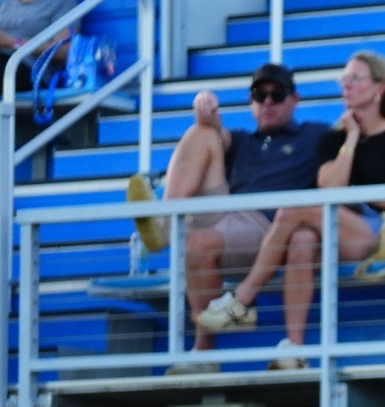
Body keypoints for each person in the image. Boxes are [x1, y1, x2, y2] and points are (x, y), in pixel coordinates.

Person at [195, 50, 385, 370]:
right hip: (333, 226)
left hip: (374, 230)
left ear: (379, 88)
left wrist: (358, 189)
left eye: (355, 79)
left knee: (294, 208)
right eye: (343, 80)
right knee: (301, 240)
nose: (346, 86)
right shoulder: (334, 137)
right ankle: (294, 348)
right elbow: (330, 189)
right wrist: (351, 139)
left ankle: (242, 299)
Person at [126, 66, 329, 376]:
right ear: (251, 101)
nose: (268, 102)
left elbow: (360, 144)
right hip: (230, 215)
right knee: (202, 132)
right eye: (260, 96)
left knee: (198, 243)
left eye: (277, 95)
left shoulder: (313, 134)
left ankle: (205, 349)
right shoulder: (242, 140)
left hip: (269, 224)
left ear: (294, 100)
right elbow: (214, 131)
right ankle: (165, 222)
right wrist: (205, 106)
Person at [0, 0, 81, 103]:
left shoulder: (62, 2)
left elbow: (64, 52)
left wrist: (10, 42)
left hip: (26, 66)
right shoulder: (7, 3)